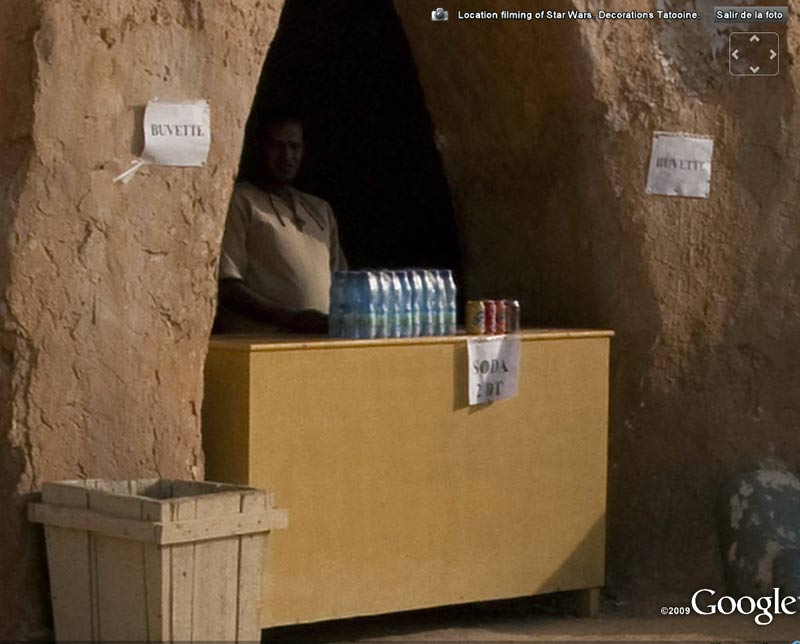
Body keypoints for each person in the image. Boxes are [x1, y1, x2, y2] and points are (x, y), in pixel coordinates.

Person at [216, 112, 347, 334]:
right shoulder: (240, 201)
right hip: (260, 345)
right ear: (258, 148)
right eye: (277, 146)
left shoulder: (319, 209)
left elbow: (343, 283)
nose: (287, 156)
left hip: (320, 344)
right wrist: (291, 319)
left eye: (294, 146)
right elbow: (227, 285)